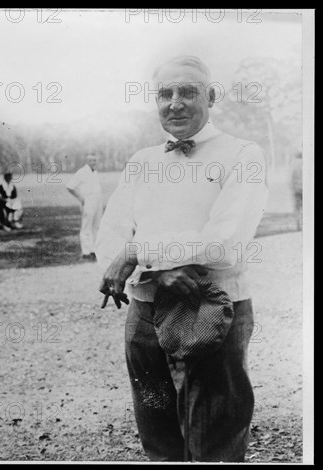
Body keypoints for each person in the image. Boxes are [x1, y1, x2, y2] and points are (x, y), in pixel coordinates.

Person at [95, 56, 268, 462]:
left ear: (211, 96)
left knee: (215, 440)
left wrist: (142, 253)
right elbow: (110, 241)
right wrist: (154, 270)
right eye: (165, 93)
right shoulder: (142, 161)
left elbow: (225, 241)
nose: (175, 103)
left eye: (188, 91)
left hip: (211, 307)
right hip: (145, 315)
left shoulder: (242, 154)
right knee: (158, 437)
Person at [66, 153, 103, 260]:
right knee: (87, 226)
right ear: (87, 161)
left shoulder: (95, 172)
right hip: (88, 201)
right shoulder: (82, 172)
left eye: (95, 160)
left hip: (97, 201)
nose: (93, 162)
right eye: (91, 160)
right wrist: (80, 198)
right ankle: (86, 251)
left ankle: (94, 250)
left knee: (96, 226)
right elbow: (69, 186)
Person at [290, 151, 303, 230]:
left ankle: (298, 225)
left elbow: (291, 178)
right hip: (305, 189)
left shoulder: (293, 165)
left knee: (297, 208)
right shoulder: (305, 163)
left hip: (296, 189)